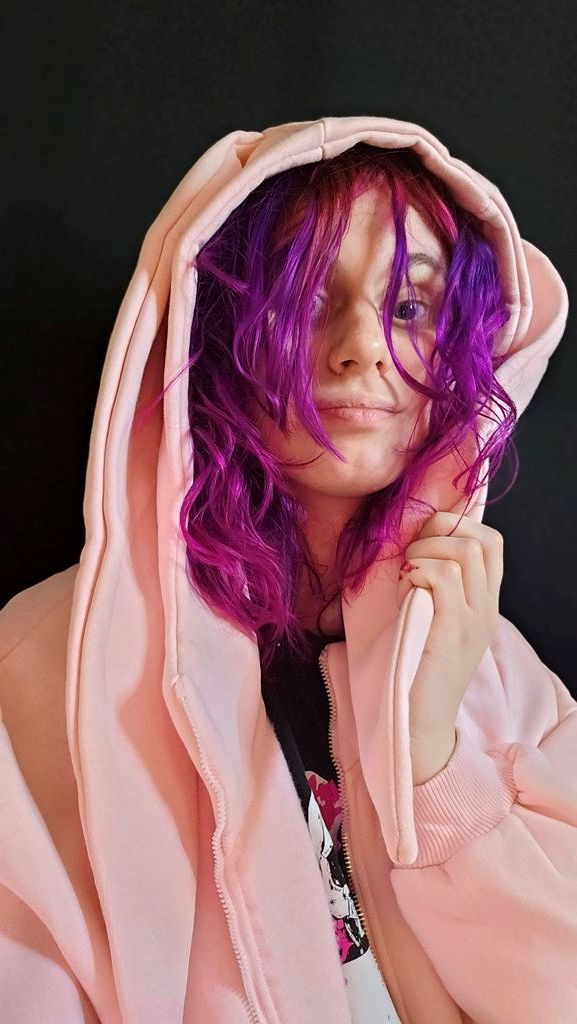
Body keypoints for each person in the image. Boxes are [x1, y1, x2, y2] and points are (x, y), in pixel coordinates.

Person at [0, 115, 574, 1024]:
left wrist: (435, 764)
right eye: (304, 298)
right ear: (212, 330)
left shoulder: (504, 678)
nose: (361, 347)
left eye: (411, 308)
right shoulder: (37, 672)